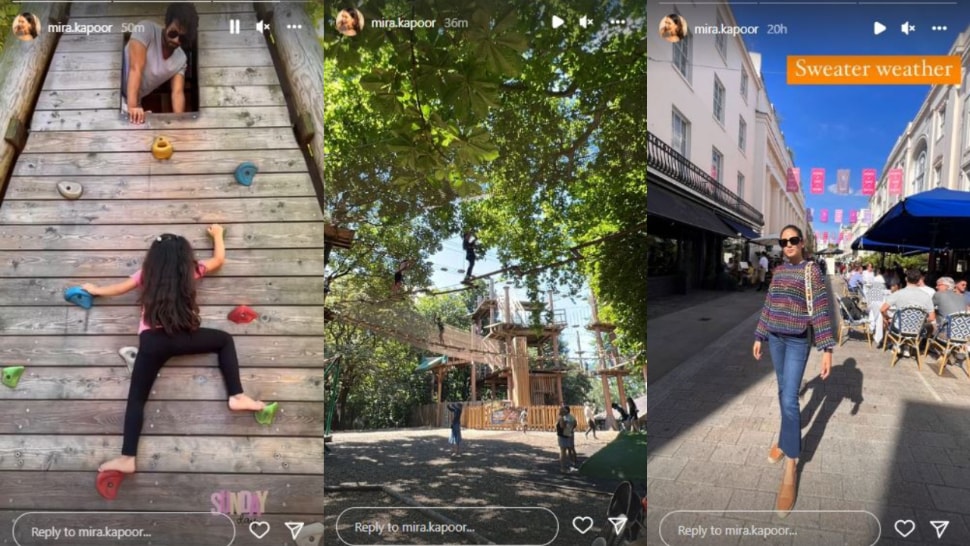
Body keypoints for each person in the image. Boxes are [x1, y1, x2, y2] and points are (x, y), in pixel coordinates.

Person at [87, 226, 266, 475]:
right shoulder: (190, 271)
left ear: (154, 257)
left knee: (137, 399)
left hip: (152, 343)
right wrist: (217, 236)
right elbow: (218, 260)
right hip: (182, 337)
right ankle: (236, 396)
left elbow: (118, 288)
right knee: (224, 339)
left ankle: (128, 458)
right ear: (184, 256)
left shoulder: (146, 274)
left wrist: (94, 290)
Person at [752, 224, 835, 518]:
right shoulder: (778, 270)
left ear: (802, 243)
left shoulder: (811, 271)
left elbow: (821, 309)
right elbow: (769, 304)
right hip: (775, 337)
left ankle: (791, 463)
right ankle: (784, 439)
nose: (788, 245)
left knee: (789, 398)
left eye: (793, 240)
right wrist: (759, 335)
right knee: (782, 390)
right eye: (783, 241)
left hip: (798, 339)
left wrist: (826, 349)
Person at [123, 3, 199, 124]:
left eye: (182, 39)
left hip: (134, 101)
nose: (176, 40)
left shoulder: (181, 59)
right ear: (167, 23)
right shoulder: (146, 29)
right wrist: (132, 108)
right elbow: (135, 68)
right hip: (115, 94)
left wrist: (179, 122)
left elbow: (177, 93)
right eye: (173, 33)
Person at [555, 406, 578, 472]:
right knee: (563, 451)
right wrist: (569, 425)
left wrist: (570, 426)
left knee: (566, 450)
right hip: (563, 436)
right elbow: (562, 426)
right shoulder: (561, 418)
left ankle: (569, 465)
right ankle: (563, 468)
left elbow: (574, 423)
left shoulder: (564, 417)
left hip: (565, 435)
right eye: (564, 411)